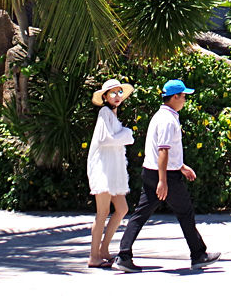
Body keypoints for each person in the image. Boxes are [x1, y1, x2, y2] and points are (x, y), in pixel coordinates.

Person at [114, 79, 221, 271]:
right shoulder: (167, 120)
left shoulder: (163, 116)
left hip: (154, 172)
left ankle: (123, 255)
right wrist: (163, 181)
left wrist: (181, 166)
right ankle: (198, 255)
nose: (185, 100)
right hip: (164, 176)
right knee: (185, 212)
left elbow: (164, 152)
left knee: (141, 214)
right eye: (183, 96)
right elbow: (163, 151)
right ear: (174, 97)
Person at [87, 78, 135, 268]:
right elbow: (105, 139)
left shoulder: (112, 115)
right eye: (112, 93)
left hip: (114, 172)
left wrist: (124, 134)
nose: (117, 96)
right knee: (103, 212)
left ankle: (104, 250)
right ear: (105, 96)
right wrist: (126, 135)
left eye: (119, 92)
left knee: (122, 209)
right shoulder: (104, 113)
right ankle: (94, 255)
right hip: (103, 171)